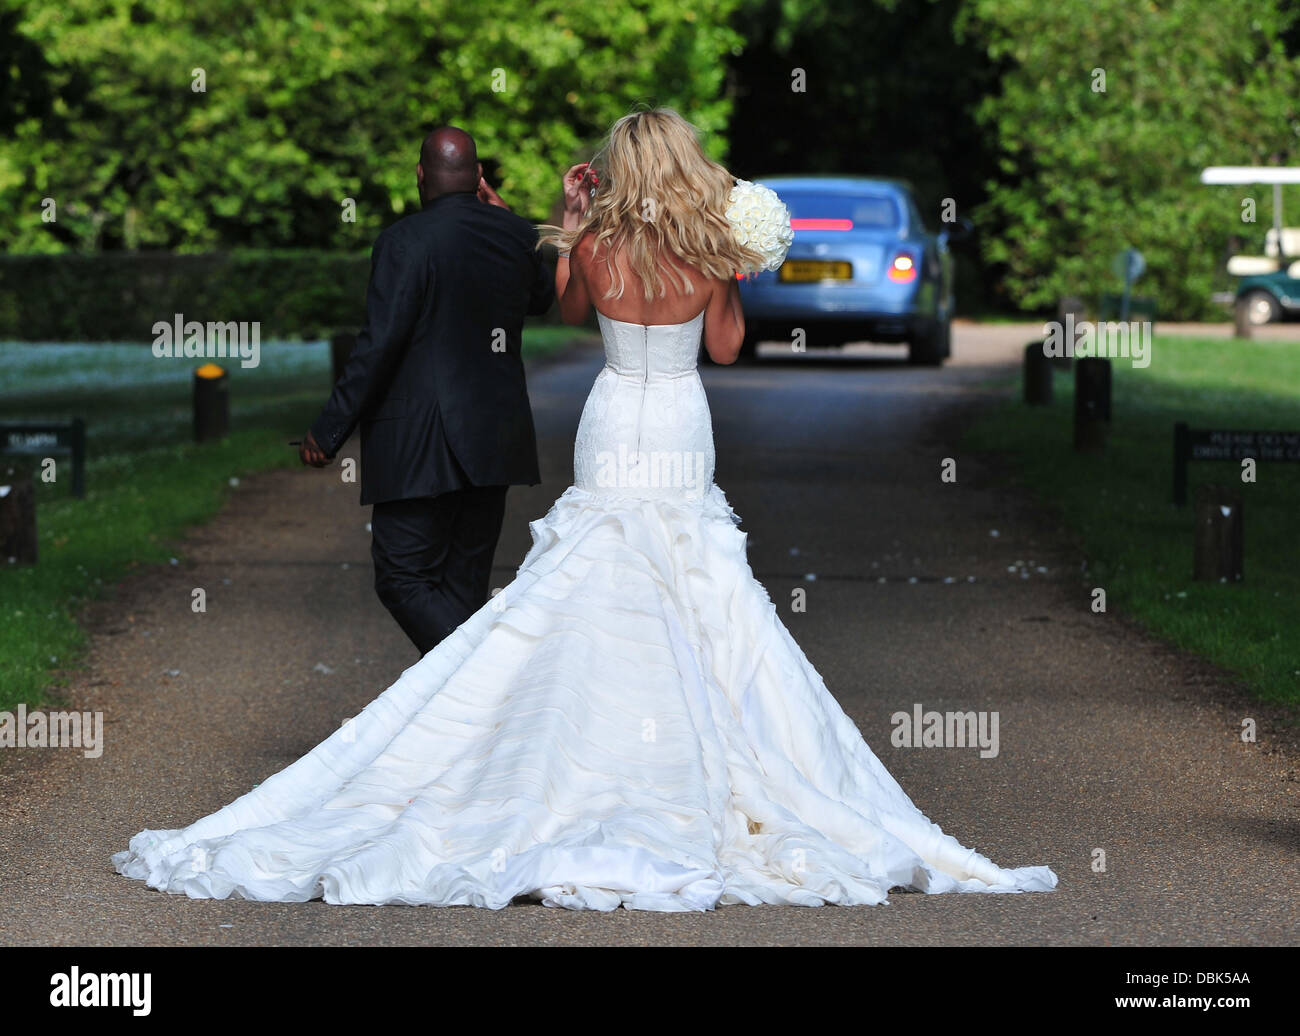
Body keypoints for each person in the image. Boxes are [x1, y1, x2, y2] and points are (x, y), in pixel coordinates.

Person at [114, 109, 1057, 910]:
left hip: (613, 421)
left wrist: (575, 220)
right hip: (680, 423)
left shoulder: (599, 247)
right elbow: (724, 352)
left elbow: (567, 314)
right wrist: (732, 268)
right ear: (686, 170)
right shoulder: (706, 253)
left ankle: (558, 756)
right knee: (699, 579)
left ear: (618, 174)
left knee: (589, 573)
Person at [299, 126, 553, 655]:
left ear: (420, 175)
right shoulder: (515, 235)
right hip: (494, 439)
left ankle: (488, 676)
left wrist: (329, 431)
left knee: (403, 577)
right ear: (479, 177)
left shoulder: (402, 242)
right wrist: (508, 219)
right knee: (462, 589)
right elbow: (542, 298)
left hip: (419, 444)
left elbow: (379, 345)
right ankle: (467, 726)